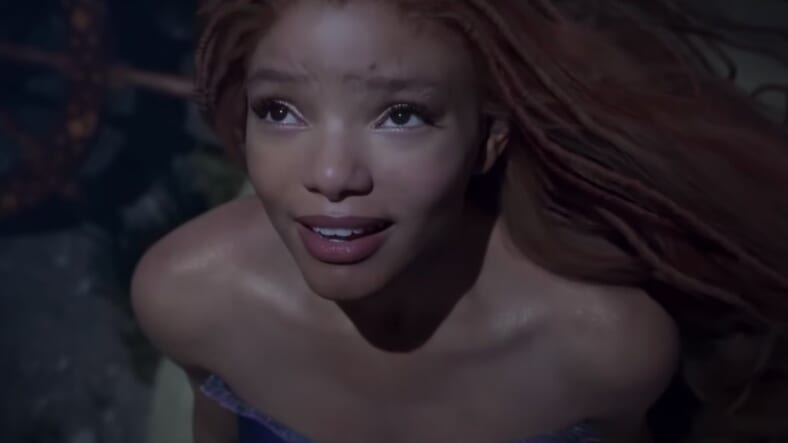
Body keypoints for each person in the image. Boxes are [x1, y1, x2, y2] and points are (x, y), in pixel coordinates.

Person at [131, 0, 788, 442]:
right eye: (280, 111)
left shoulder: (604, 347)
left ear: (488, 139)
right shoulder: (186, 295)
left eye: (401, 115)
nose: (331, 175)